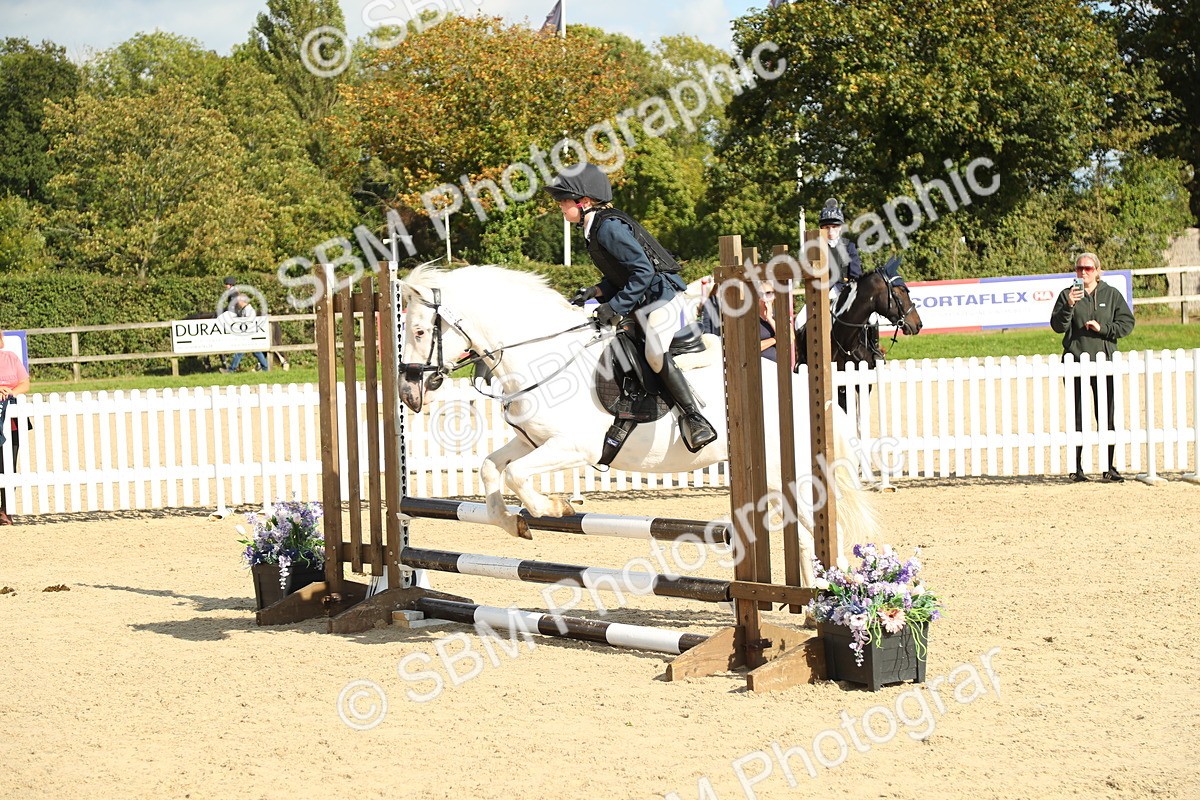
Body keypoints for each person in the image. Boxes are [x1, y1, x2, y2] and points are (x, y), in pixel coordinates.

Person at [546, 163, 717, 452]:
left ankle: (694, 418)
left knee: (653, 353)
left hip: (663, 298)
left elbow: (643, 273)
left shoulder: (608, 227)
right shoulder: (594, 228)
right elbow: (622, 275)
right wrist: (595, 292)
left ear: (584, 202)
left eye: (564, 201)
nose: (561, 207)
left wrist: (614, 306)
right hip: (645, 301)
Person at [1050, 252, 1135, 483]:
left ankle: (1109, 467)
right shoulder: (1066, 295)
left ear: (1098, 270)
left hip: (1104, 362)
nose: (1083, 272)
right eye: (1079, 268)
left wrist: (1103, 328)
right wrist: (1069, 304)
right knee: (1077, 416)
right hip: (1075, 361)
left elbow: (1127, 323)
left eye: (1088, 268)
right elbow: (1057, 326)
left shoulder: (1111, 294)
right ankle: (1076, 468)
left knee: (1106, 415)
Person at [0, 335, 30, 525]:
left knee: (9, 465)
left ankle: (6, 511)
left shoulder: (11, 357)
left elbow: (25, 383)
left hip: (12, 420)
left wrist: (10, 392)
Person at [221, 294, 270, 373]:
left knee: (241, 352)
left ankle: (231, 370)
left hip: (249, 335)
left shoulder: (249, 310)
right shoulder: (244, 310)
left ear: (242, 301)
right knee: (256, 352)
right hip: (248, 335)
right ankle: (265, 368)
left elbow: (248, 323)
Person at [757, 281, 779, 363]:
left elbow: (790, 338)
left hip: (779, 366)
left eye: (768, 293)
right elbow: (753, 347)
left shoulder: (779, 316)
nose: (764, 298)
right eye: (760, 294)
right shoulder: (752, 319)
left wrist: (769, 318)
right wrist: (775, 339)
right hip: (760, 366)